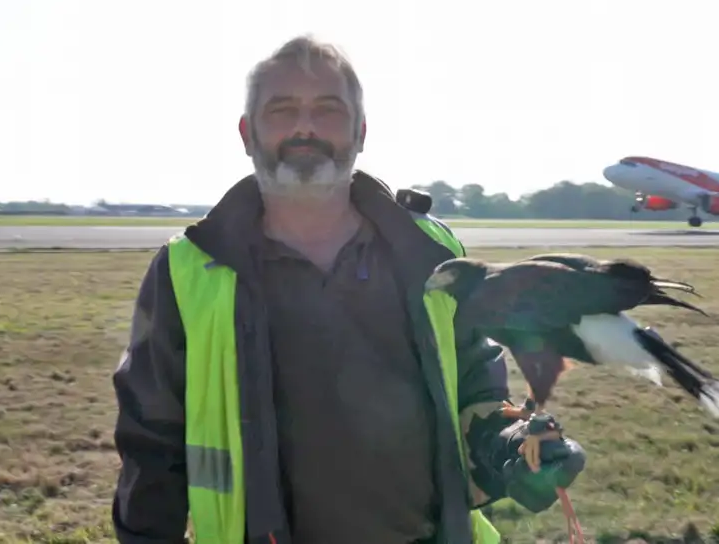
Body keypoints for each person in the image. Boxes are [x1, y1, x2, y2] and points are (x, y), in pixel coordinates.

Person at [110, 35, 587, 544]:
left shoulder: (430, 252)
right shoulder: (188, 269)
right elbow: (151, 441)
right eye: (281, 109)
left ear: (361, 131)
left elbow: (475, 385)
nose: (305, 127)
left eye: (328, 110)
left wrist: (511, 445)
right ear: (247, 133)